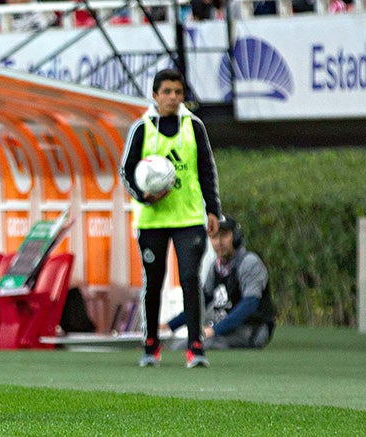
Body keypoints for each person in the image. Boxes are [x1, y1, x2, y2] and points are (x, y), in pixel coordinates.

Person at [120, 68, 220, 369]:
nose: (173, 98)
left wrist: (213, 209)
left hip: (188, 217)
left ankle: (195, 347)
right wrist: (142, 194)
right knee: (154, 282)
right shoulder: (142, 128)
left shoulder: (194, 126)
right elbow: (127, 171)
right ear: (155, 95)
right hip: (152, 219)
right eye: (167, 92)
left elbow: (206, 168)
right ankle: (151, 345)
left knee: (190, 279)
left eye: (178, 92)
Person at [162, 215, 277, 349]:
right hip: (225, 330)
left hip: (252, 329)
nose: (219, 242)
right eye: (214, 237)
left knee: (202, 346)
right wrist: (169, 326)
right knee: (178, 347)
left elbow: (249, 304)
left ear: (236, 237)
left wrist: (215, 330)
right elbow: (201, 302)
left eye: (224, 235)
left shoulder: (249, 263)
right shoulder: (216, 267)